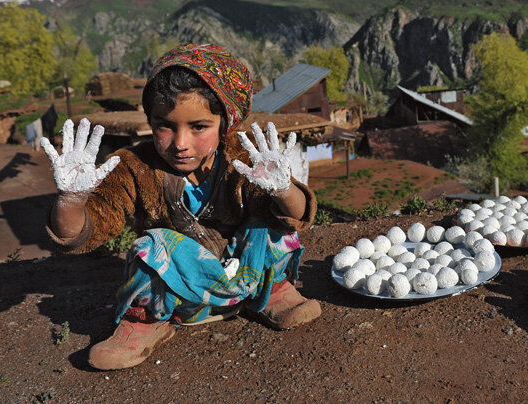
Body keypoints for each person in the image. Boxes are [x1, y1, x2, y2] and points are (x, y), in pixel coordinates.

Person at [41, 44, 321, 371]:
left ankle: (272, 291)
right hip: (179, 295)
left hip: (248, 275)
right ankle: (146, 320)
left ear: (225, 124)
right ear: (150, 120)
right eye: (165, 125)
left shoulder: (243, 161)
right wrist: (72, 200)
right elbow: (84, 231)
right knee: (150, 248)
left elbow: (297, 217)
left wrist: (283, 189)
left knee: (271, 222)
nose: (180, 143)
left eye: (198, 127)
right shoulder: (133, 168)